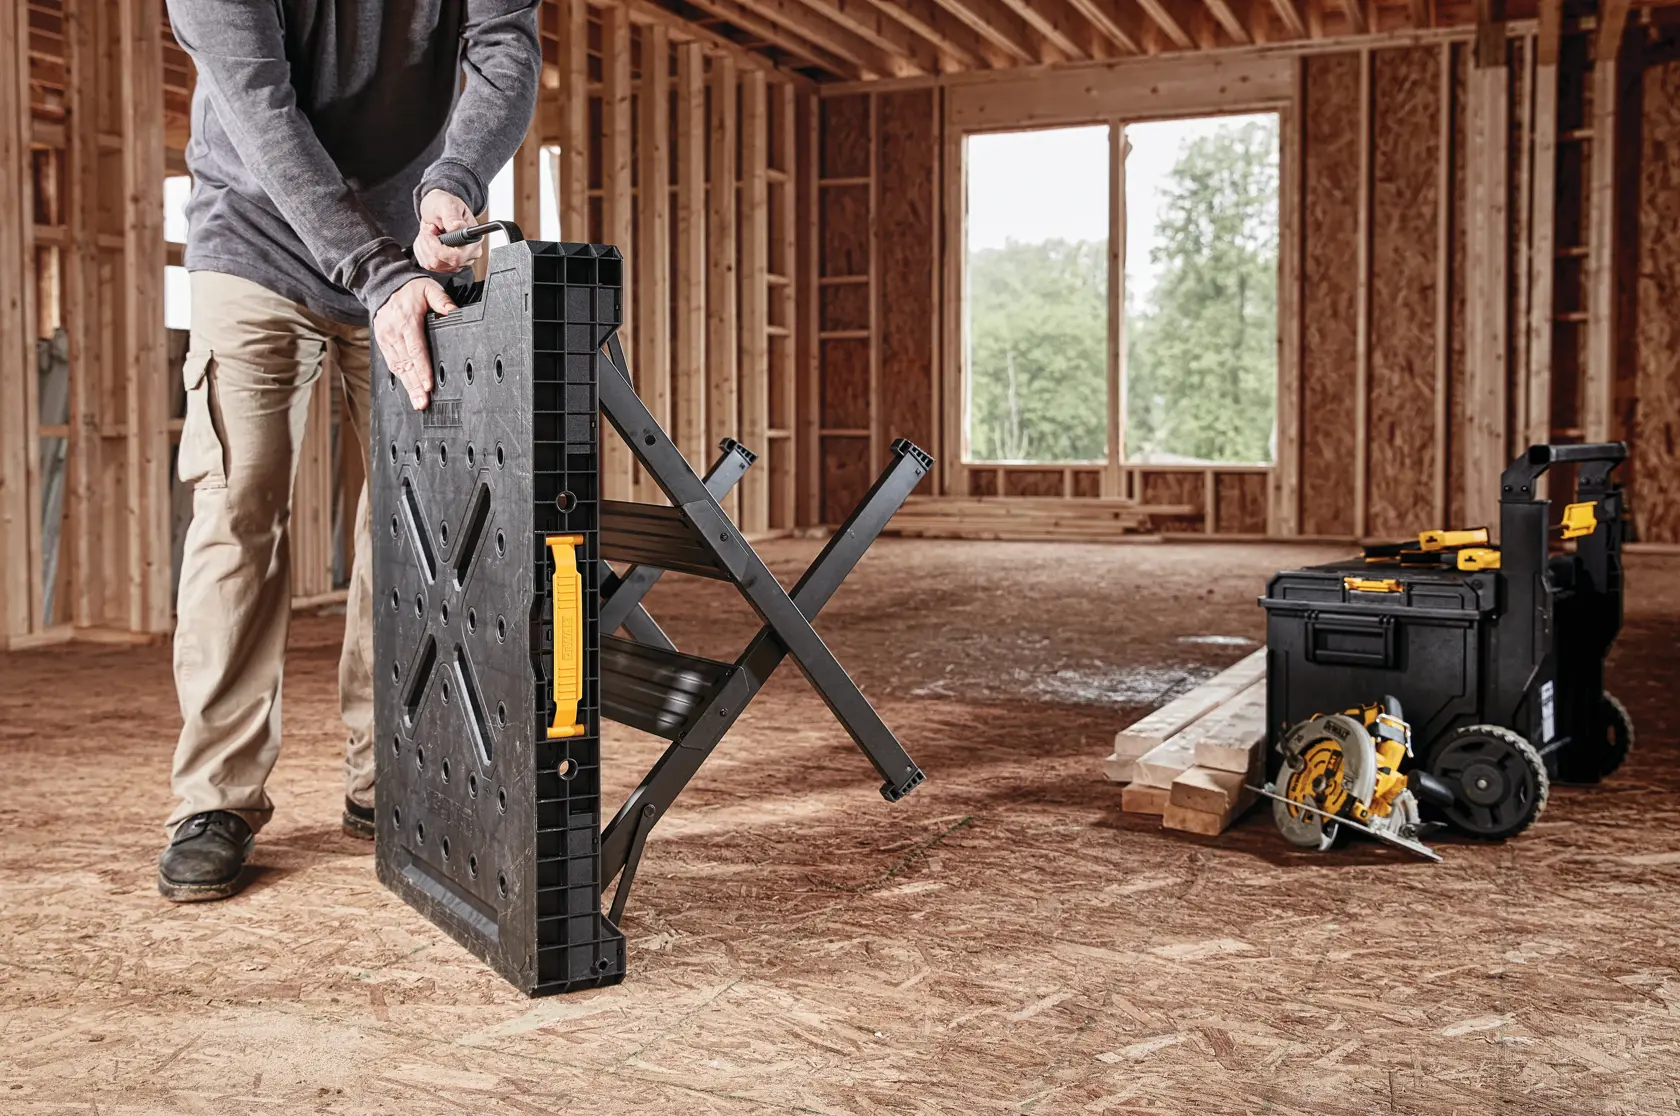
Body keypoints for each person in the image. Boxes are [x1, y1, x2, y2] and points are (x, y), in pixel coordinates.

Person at [157, 0, 540, 901]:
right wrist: (373, 272)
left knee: (414, 519)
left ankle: (393, 771)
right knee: (240, 504)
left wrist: (456, 178)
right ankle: (215, 798)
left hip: (417, 248)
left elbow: (503, 43)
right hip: (255, 239)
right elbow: (257, 106)